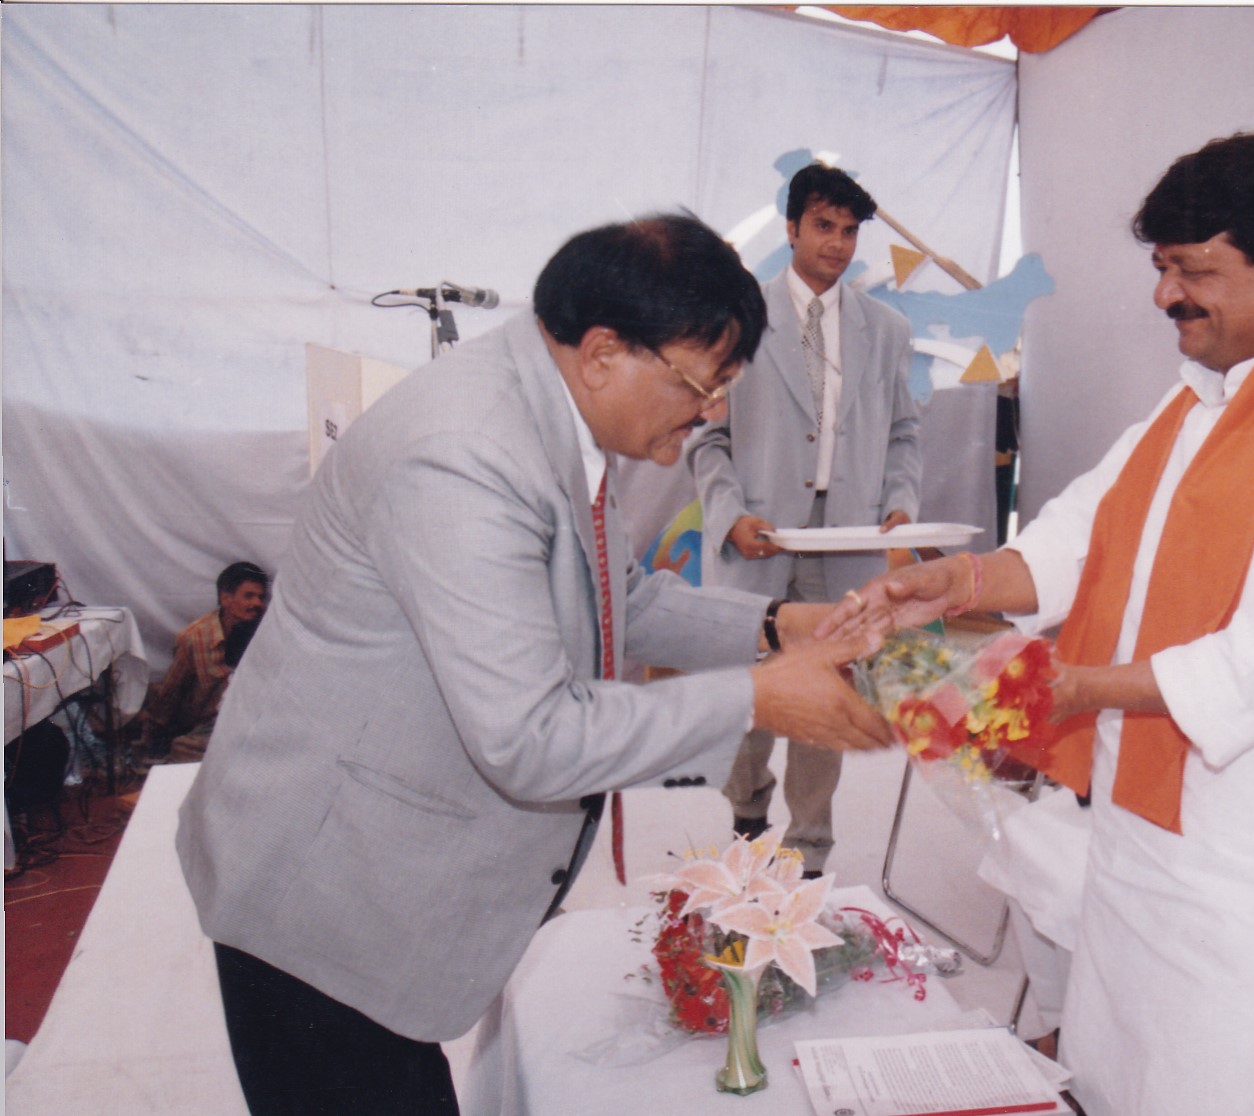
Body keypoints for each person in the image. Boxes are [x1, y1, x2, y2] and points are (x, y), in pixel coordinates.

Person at [176, 214, 894, 1115]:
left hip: (384, 876)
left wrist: (781, 625)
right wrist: (758, 700)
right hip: (321, 899)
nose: (711, 411)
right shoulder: (465, 456)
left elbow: (619, 599)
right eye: (701, 383)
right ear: (604, 353)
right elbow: (530, 735)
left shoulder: (554, 412)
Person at [822, 133, 1254, 1115]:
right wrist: (961, 582)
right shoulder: (1196, 402)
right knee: (1108, 1076)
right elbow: (1082, 536)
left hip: (1250, 872)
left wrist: (1066, 688)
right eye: (1162, 268)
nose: (1166, 296)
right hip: (1135, 832)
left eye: (1194, 271)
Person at [687, 163, 920, 874]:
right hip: (756, 539)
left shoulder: (888, 330)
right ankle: (747, 810)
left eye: (849, 231)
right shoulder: (736, 319)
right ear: (791, 228)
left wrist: (901, 504)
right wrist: (729, 515)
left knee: (828, 691)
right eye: (823, 226)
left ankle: (810, 849)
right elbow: (705, 437)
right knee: (749, 691)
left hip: (847, 540)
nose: (838, 243)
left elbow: (903, 434)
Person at [135, 560, 268, 765]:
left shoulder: (268, 631)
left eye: (261, 597)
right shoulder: (195, 638)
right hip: (212, 722)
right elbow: (171, 692)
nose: (257, 604)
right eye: (249, 596)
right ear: (226, 598)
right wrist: (153, 736)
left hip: (253, 719)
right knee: (184, 749)